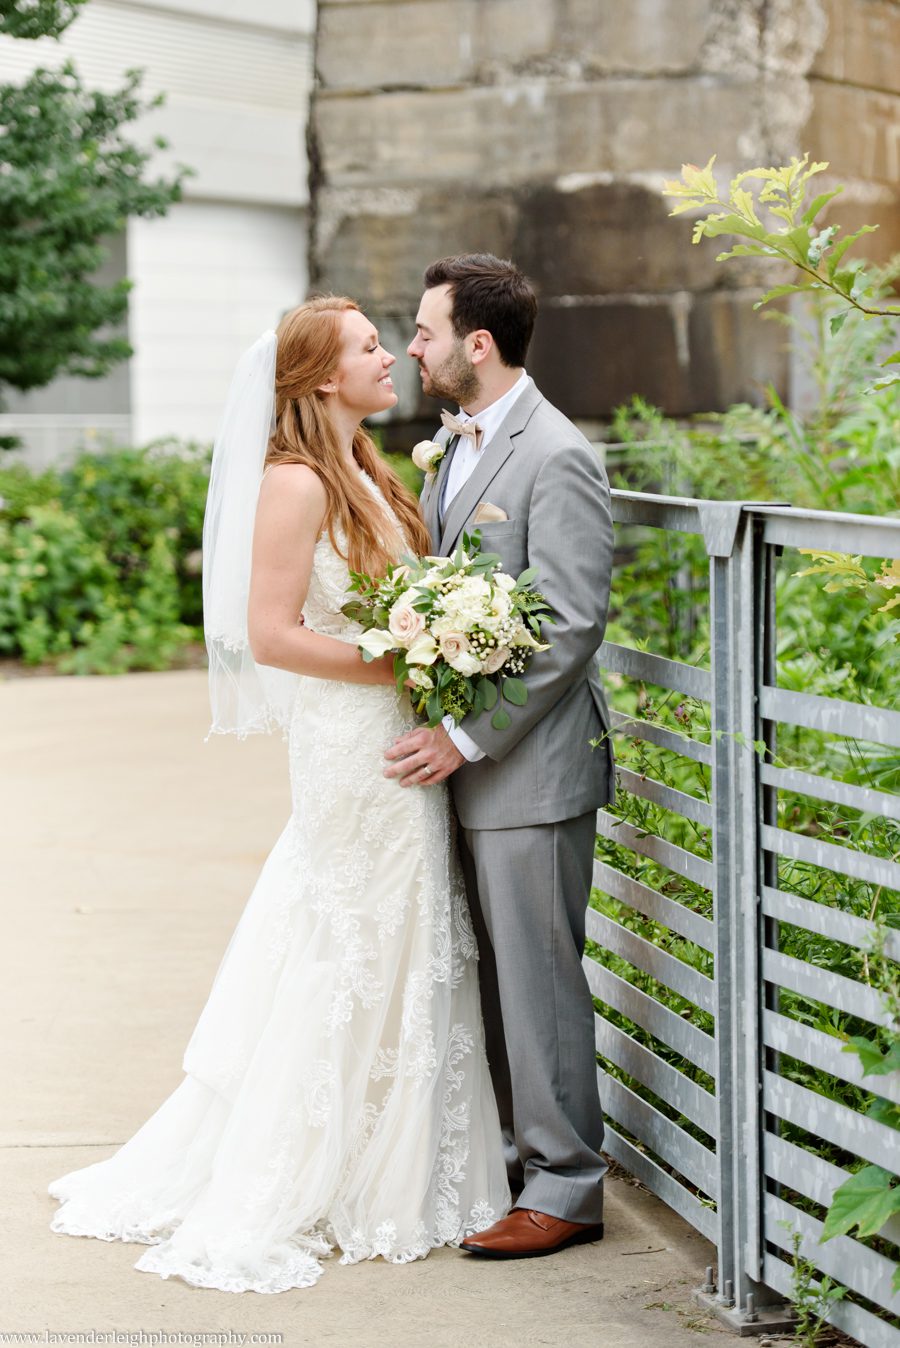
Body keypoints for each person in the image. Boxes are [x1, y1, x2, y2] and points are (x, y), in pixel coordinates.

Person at [48, 296, 510, 1293]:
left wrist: (436, 641)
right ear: (313, 380)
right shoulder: (295, 484)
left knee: (404, 930)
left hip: (396, 733)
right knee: (353, 933)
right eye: (369, 349)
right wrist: (404, 663)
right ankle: (310, 1166)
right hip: (356, 745)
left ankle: (393, 1154)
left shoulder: (369, 469)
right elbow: (272, 635)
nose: (392, 357)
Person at [384, 254, 615, 1259]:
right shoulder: (458, 445)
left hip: (532, 770)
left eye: (426, 331)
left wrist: (466, 735)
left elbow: (570, 622)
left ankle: (567, 1187)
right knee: (499, 979)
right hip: (481, 770)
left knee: (540, 980)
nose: (414, 347)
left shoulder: (555, 452)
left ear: (478, 344)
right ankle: (527, 1160)